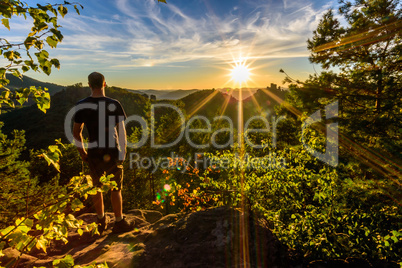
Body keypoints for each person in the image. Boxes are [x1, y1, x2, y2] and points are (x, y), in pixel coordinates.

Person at [73, 72, 134, 234]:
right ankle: (119, 222)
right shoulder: (115, 104)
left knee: (96, 188)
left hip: (93, 152)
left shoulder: (82, 105)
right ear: (105, 84)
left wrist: (83, 152)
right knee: (116, 189)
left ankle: (101, 221)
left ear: (89, 85)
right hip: (113, 150)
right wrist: (123, 153)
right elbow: (122, 132)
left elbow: (76, 132)